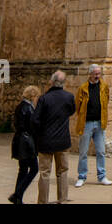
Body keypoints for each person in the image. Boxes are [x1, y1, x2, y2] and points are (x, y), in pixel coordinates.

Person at [32, 70, 76, 205]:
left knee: (45, 173)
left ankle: (42, 201)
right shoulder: (68, 97)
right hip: (63, 140)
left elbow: (35, 120)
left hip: (46, 140)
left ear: (51, 81)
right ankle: (62, 199)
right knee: (62, 171)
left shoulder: (44, 98)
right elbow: (72, 111)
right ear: (63, 83)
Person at [74, 64, 112, 188]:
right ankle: (81, 176)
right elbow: (78, 106)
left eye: (99, 73)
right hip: (87, 123)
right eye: (95, 74)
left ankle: (102, 176)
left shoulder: (104, 86)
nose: (97, 76)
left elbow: (107, 100)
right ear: (90, 74)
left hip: (100, 123)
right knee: (83, 152)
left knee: (101, 151)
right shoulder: (83, 88)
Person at [8, 85, 40, 204]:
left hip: (19, 141)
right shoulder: (29, 108)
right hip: (26, 143)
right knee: (34, 168)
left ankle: (18, 198)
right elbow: (32, 127)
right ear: (33, 96)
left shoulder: (20, 106)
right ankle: (18, 194)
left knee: (23, 170)